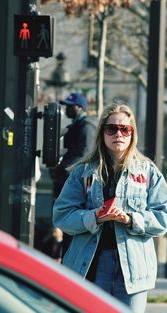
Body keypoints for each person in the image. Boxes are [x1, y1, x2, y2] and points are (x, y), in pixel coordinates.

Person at [53, 99, 167, 313]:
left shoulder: (148, 172)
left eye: (124, 129)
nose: (118, 134)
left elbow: (165, 215)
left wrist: (130, 219)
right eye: (111, 128)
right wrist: (94, 217)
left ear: (132, 134)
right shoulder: (83, 172)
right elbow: (62, 215)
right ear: (102, 133)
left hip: (134, 270)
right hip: (92, 264)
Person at [50, 92, 97, 254]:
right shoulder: (78, 126)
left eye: (70, 106)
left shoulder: (86, 127)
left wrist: (62, 167)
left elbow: (83, 154)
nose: (67, 109)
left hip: (77, 182)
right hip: (69, 179)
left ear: (79, 107)